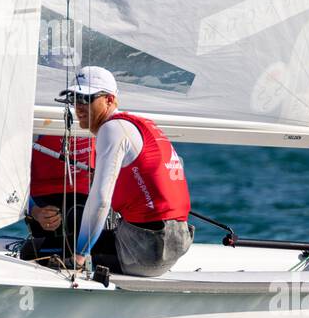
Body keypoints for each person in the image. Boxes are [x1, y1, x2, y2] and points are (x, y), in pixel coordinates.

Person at [60, 66, 192, 278]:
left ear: (110, 100)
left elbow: (101, 200)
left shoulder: (111, 129)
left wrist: (79, 256)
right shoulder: (140, 126)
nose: (79, 107)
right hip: (175, 242)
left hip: (148, 250)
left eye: (87, 98)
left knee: (45, 247)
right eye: (75, 98)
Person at [20, 132, 94, 264]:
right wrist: (35, 211)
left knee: (78, 216)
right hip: (42, 200)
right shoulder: (40, 125)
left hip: (82, 198)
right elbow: (14, 176)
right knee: (60, 222)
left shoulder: (98, 122)